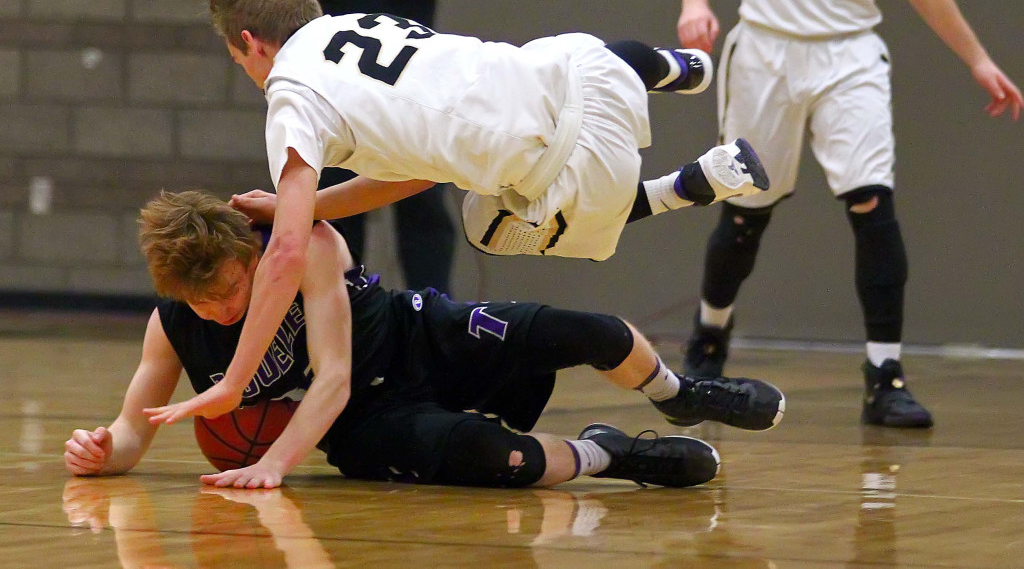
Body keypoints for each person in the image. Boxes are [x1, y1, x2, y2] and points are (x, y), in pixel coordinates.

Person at [148, 0, 770, 425]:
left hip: (579, 165)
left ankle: (687, 186)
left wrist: (234, 380)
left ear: (253, 42)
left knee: (487, 224)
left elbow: (284, 255)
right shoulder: (361, 26)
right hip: (592, 72)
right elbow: (420, 171)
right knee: (546, 64)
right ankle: (681, 68)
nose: (250, 74)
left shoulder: (290, 91)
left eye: (240, 61)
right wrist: (300, 206)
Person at [675, 0, 1022, 428]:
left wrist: (978, 58)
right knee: (745, 213)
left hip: (849, 52)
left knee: (873, 205)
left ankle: (885, 372)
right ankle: (709, 337)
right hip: (767, 48)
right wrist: (694, 0)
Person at [65, 191, 785, 490]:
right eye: (202, 300)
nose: (222, 308)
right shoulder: (174, 327)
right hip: (364, 425)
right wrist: (104, 452)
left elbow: (333, 372)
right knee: (503, 460)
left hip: (414, 335)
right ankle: (614, 452)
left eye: (231, 287)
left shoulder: (300, 245)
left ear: (254, 254)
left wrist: (276, 463)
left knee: (582, 330)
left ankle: (682, 393)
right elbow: (135, 430)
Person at [295, 0, 459, 296]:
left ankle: (434, 311)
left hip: (413, 82)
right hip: (344, 83)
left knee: (423, 207)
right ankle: (344, 308)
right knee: (340, 202)